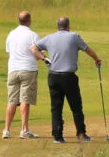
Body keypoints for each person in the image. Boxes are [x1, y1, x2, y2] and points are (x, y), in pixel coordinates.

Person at [39, 16, 102, 144]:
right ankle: (81, 135)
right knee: (76, 107)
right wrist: (96, 59)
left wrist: (43, 58)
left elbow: (33, 48)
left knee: (56, 108)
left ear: (58, 26)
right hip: (68, 77)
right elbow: (87, 49)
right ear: (68, 26)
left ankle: (57, 137)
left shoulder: (49, 37)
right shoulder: (74, 36)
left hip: (53, 76)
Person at [4, 11, 46, 140]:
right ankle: (24, 130)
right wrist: (43, 58)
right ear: (29, 20)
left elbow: (9, 50)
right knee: (25, 100)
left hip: (12, 70)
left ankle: (6, 130)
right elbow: (38, 54)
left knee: (12, 101)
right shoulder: (33, 35)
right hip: (28, 70)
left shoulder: (11, 34)